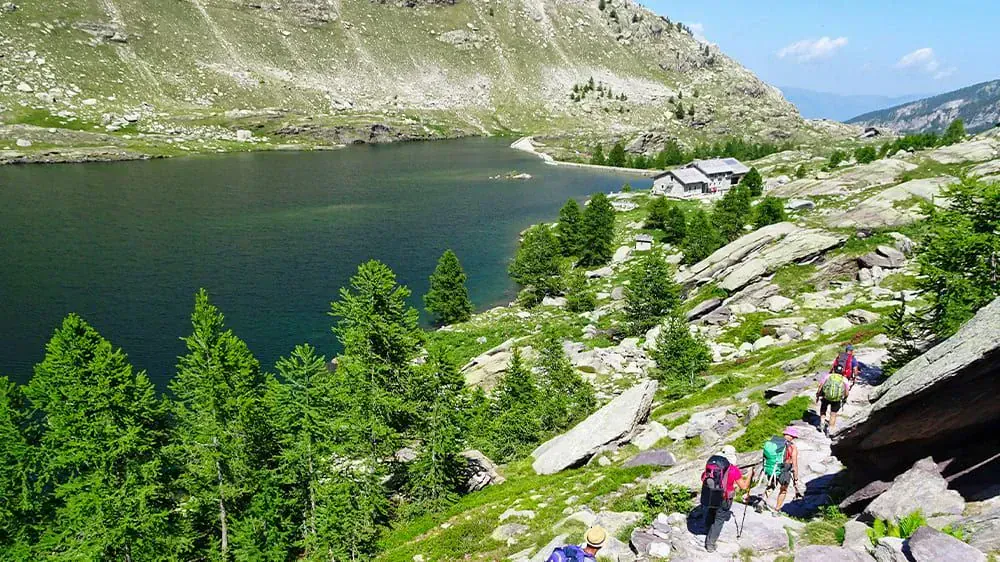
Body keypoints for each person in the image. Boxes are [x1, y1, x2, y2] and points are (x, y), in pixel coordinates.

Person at [700, 454, 751, 553]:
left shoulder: (713, 466)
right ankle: (710, 545)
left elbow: (704, 478)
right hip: (725, 497)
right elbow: (744, 486)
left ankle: (707, 528)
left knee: (711, 510)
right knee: (719, 519)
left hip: (712, 494)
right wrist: (750, 475)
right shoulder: (733, 469)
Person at [768, 427, 800, 514]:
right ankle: (776, 510)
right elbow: (795, 464)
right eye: (793, 437)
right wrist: (796, 478)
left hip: (773, 466)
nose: (794, 438)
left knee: (771, 485)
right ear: (791, 436)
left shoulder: (775, 442)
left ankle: (762, 501)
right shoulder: (792, 447)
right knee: (783, 490)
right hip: (785, 468)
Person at [816, 366, 850, 436]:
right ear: (842, 371)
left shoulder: (828, 376)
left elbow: (821, 386)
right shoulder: (844, 379)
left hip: (826, 397)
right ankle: (829, 430)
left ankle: (822, 423)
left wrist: (818, 394)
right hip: (837, 399)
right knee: (833, 414)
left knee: (823, 410)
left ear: (834, 370)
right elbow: (846, 392)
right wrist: (845, 398)